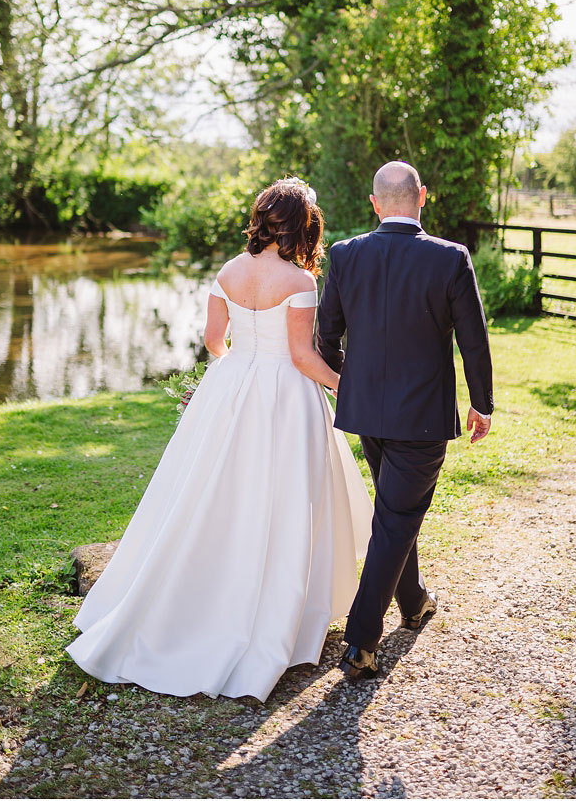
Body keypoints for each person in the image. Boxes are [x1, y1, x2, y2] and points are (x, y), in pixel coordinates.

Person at [66, 178, 374, 702]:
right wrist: (348, 386)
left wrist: (236, 376)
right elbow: (302, 356)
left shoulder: (229, 270)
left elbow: (214, 341)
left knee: (210, 491)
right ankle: (270, 610)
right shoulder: (300, 281)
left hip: (229, 388)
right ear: (302, 223)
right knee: (280, 497)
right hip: (286, 395)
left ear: (262, 218)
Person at [317, 161, 493, 680]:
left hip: (366, 412)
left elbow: (326, 336)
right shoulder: (450, 258)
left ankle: (413, 601)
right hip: (420, 417)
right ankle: (361, 641)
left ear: (376, 204)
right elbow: (473, 339)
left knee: (396, 512)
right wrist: (481, 403)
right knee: (395, 517)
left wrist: (350, 382)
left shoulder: (346, 255)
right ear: (421, 197)